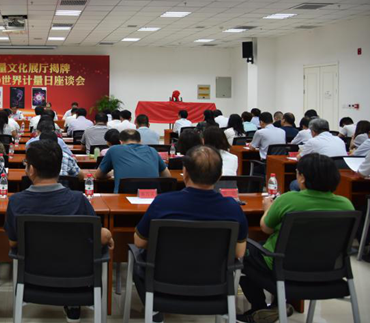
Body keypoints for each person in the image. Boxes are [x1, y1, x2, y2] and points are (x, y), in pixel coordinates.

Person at [3, 139, 113, 323]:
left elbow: (13, 242)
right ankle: (73, 305)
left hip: (33, 275)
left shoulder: (16, 202)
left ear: (31, 169)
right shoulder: (79, 200)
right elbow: (97, 236)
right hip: (76, 276)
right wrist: (108, 235)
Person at [237, 154, 354, 323]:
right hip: (326, 269)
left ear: (303, 178)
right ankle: (278, 304)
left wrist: (268, 208)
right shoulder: (346, 204)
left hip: (283, 267)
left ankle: (260, 307)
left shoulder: (289, 199)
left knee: (243, 251)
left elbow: (266, 228)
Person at [135, 147, 248, 306]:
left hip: (163, 280)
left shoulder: (163, 202)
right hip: (214, 284)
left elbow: (140, 242)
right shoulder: (232, 208)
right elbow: (239, 252)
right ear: (219, 176)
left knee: (136, 261)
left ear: (185, 172)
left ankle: (155, 311)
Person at [96, 129, 170, 192]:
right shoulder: (152, 150)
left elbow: (99, 175)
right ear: (140, 141)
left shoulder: (114, 149)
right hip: (151, 197)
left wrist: (110, 174)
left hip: (122, 197)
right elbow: (167, 175)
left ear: (120, 142)